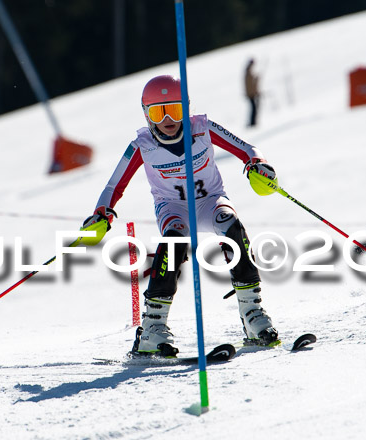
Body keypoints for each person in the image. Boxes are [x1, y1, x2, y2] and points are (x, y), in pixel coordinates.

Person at [81, 75, 279, 356]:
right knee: (173, 240)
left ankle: (252, 313)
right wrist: (102, 213)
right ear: (147, 115)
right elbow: (114, 185)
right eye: (158, 112)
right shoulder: (142, 145)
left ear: (186, 109)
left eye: (174, 110)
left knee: (232, 227)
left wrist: (257, 165)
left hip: (210, 200)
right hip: (173, 207)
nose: (167, 120)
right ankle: (152, 328)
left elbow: (247, 148)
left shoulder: (203, 128)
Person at [244, 59, 260, 127]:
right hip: (251, 94)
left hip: (251, 93)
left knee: (253, 108)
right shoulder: (248, 72)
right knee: (254, 108)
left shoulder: (248, 71)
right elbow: (251, 84)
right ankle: (252, 123)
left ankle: (253, 122)